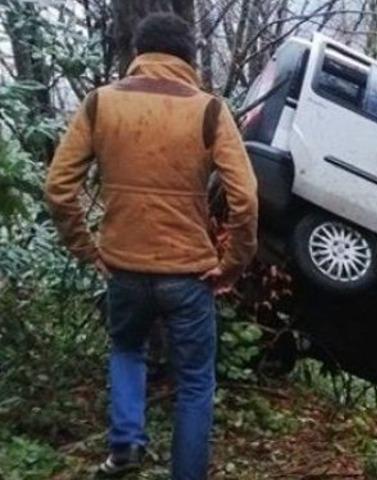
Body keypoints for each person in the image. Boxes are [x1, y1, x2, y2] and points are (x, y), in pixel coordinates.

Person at [44, 12, 258, 478]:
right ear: (188, 59)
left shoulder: (100, 103)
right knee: (195, 383)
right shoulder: (209, 110)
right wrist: (232, 265)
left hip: (123, 266)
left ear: (139, 53)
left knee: (127, 349)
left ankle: (125, 446)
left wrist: (87, 249)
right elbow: (245, 198)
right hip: (189, 274)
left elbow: (58, 188)